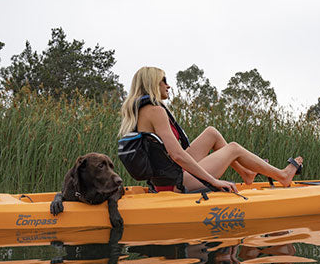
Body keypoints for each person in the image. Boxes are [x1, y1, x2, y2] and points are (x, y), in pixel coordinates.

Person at [118, 66, 304, 193]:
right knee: (233, 148)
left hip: (165, 180)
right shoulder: (155, 111)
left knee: (211, 133)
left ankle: (246, 173)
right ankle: (282, 176)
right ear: (152, 84)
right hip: (176, 184)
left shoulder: (139, 111)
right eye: (163, 81)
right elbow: (177, 155)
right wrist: (213, 181)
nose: (168, 85)